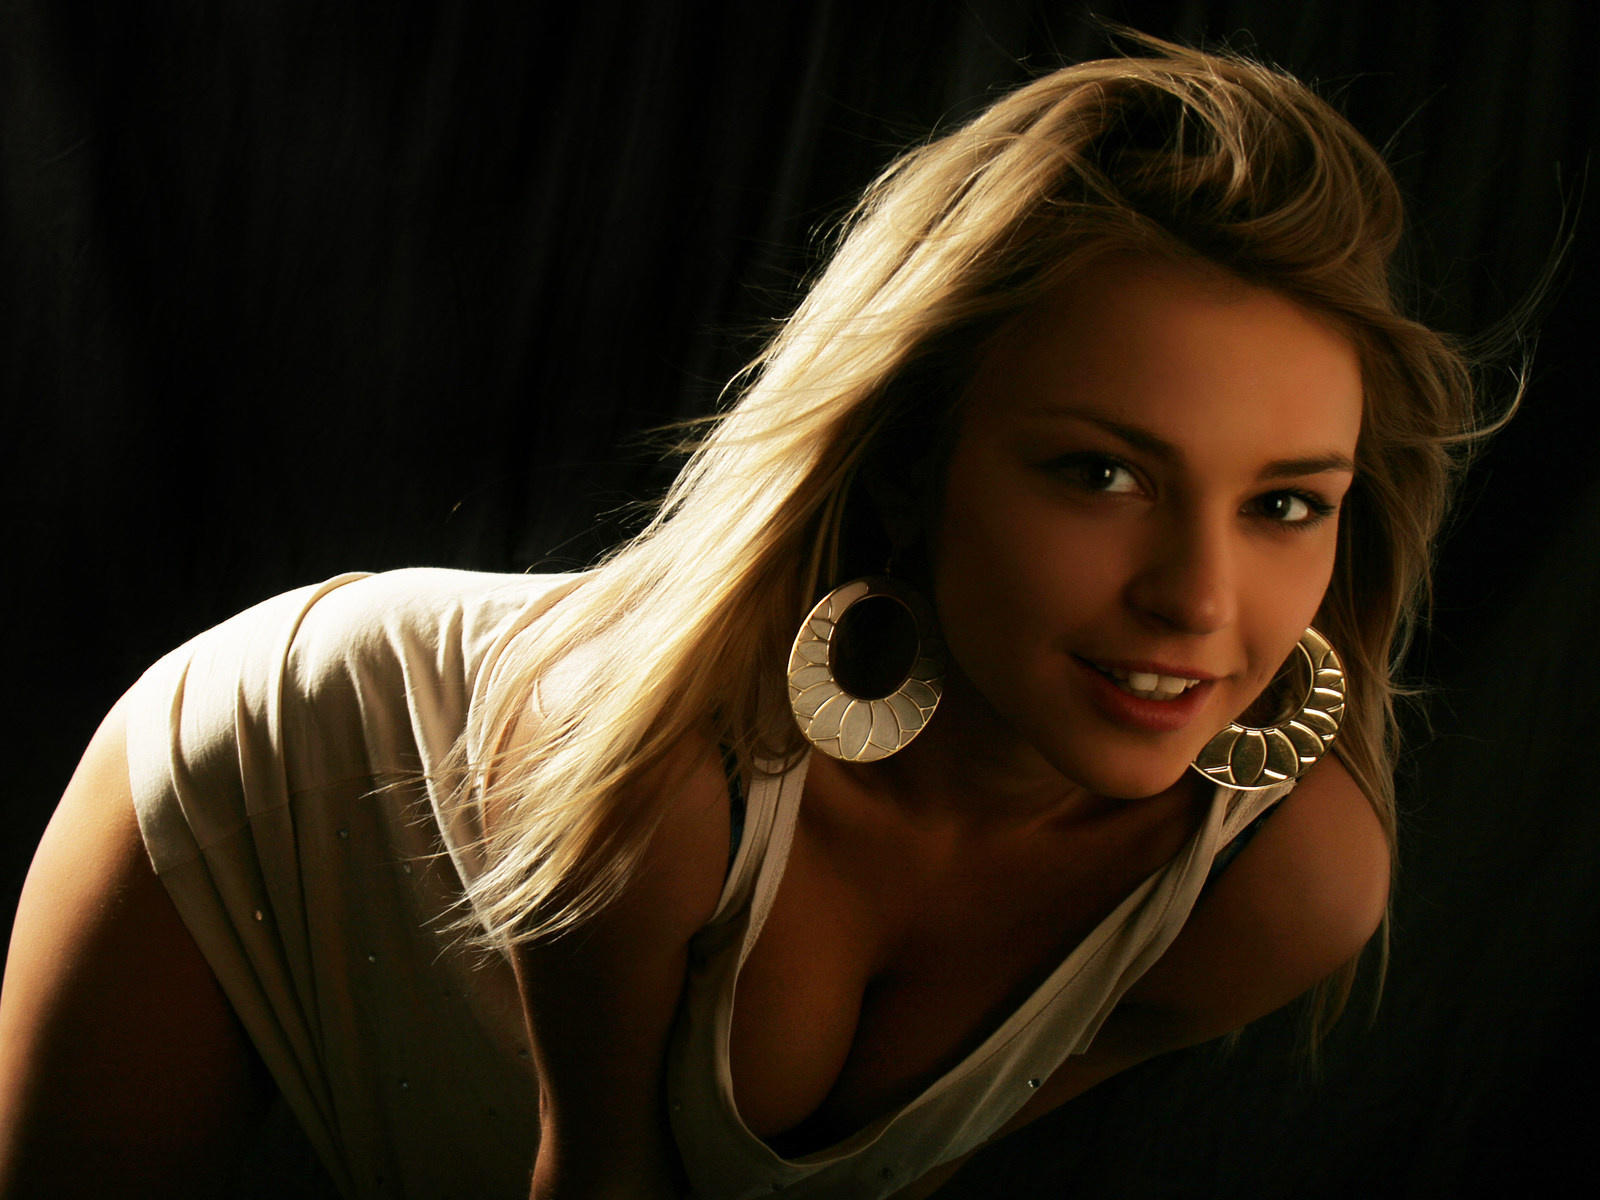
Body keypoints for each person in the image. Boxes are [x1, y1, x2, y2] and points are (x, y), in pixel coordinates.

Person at [0, 32, 1484, 1200]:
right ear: (909, 464)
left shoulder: (1284, 889)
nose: (1199, 601)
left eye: (1285, 503)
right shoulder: (663, 773)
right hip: (306, 774)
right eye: (1100, 474)